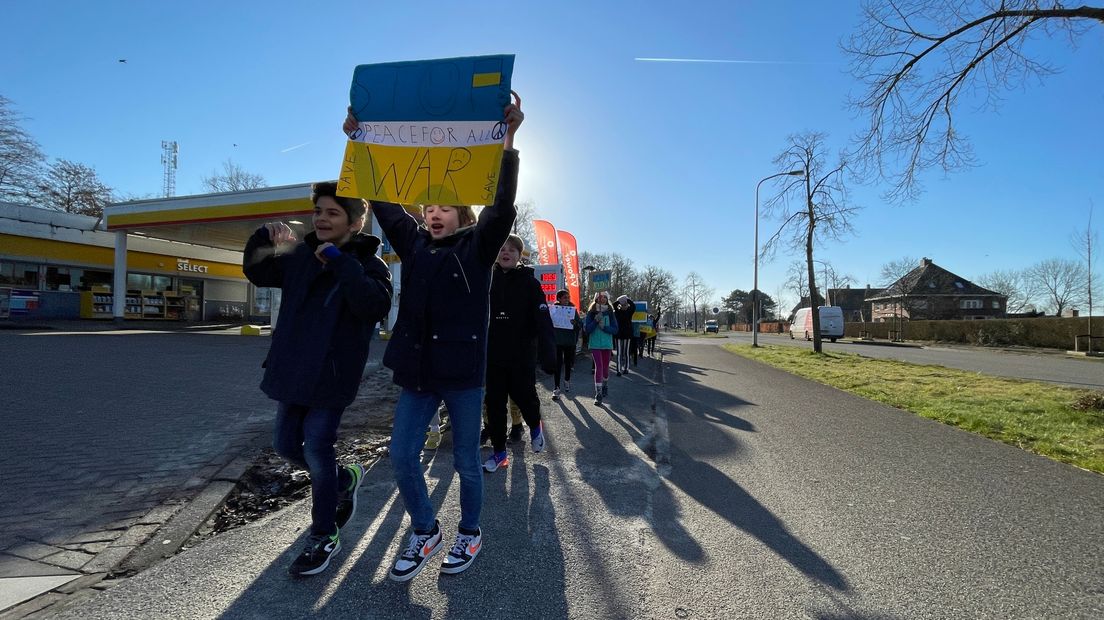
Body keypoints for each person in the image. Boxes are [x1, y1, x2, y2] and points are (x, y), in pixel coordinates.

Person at [344, 99, 523, 581]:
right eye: (428, 207)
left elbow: (502, 205)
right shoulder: (415, 243)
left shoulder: (480, 245)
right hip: (419, 372)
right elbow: (382, 200)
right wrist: (358, 140)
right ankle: (426, 530)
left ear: (463, 214)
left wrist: (508, 143)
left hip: (464, 376)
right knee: (401, 455)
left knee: (466, 462)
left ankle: (469, 530)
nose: (433, 213)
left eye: (444, 207)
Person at [242, 182, 393, 577]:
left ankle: (323, 534)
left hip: (331, 377)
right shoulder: (300, 256)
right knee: (286, 445)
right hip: (292, 369)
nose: (322, 219)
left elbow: (373, 305)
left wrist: (341, 263)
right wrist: (264, 237)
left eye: (333, 213)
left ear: (356, 222)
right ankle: (346, 478)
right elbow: (257, 271)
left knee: (318, 450)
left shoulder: (371, 265)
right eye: (319, 212)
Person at [482, 234, 556, 473]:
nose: (506, 253)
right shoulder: (486, 277)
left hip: (521, 352)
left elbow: (542, 318)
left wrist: (548, 352)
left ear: (519, 256)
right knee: (494, 403)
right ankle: (499, 454)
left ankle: (535, 427)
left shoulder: (529, 282)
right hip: (493, 353)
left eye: (512, 250)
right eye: (502, 248)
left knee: (524, 396)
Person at [583, 291, 618, 405]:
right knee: (599, 366)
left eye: (604, 297)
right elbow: (587, 329)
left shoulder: (611, 313)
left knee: (605, 369)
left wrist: (605, 328)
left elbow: (615, 329)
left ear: (607, 299)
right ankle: (598, 394)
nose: (602, 299)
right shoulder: (591, 312)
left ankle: (605, 385)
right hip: (595, 344)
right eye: (599, 297)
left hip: (607, 344)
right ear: (596, 298)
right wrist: (595, 321)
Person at [550, 289, 581, 400]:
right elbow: (549, 323)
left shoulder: (573, 309)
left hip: (569, 342)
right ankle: (556, 388)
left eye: (568, 297)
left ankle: (567, 380)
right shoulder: (554, 310)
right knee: (557, 365)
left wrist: (575, 323)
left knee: (568, 363)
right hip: (557, 342)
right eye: (564, 298)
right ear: (559, 299)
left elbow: (580, 325)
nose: (567, 300)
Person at [613, 294, 636, 375]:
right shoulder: (617, 312)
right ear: (620, 305)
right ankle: (618, 370)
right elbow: (614, 305)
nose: (624, 306)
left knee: (626, 353)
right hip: (619, 335)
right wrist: (620, 300)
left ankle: (626, 368)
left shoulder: (629, 312)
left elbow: (633, 306)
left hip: (627, 335)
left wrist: (627, 299)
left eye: (625, 305)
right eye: (622, 305)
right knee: (619, 353)